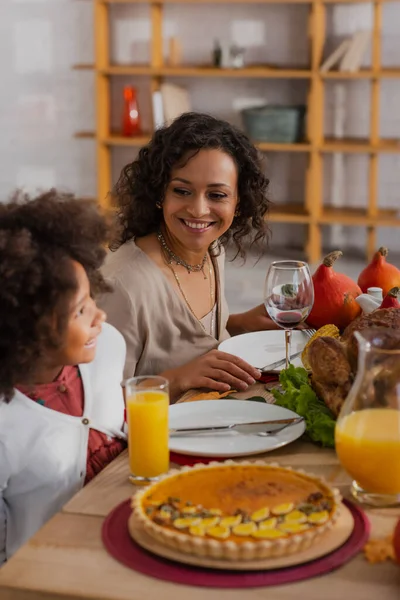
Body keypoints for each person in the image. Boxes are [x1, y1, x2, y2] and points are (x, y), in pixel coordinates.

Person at [100, 112, 278, 401]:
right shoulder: (123, 286)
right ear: (160, 193)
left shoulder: (211, 249)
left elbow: (175, 340)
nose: (197, 210)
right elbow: (97, 404)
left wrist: (238, 323)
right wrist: (179, 378)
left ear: (238, 201)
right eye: (182, 191)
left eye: (217, 195)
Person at [0, 191, 127, 564]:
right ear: (25, 330)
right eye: (79, 311)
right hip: (48, 569)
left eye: (92, 299)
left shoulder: (106, 348)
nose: (99, 317)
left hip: (130, 530)